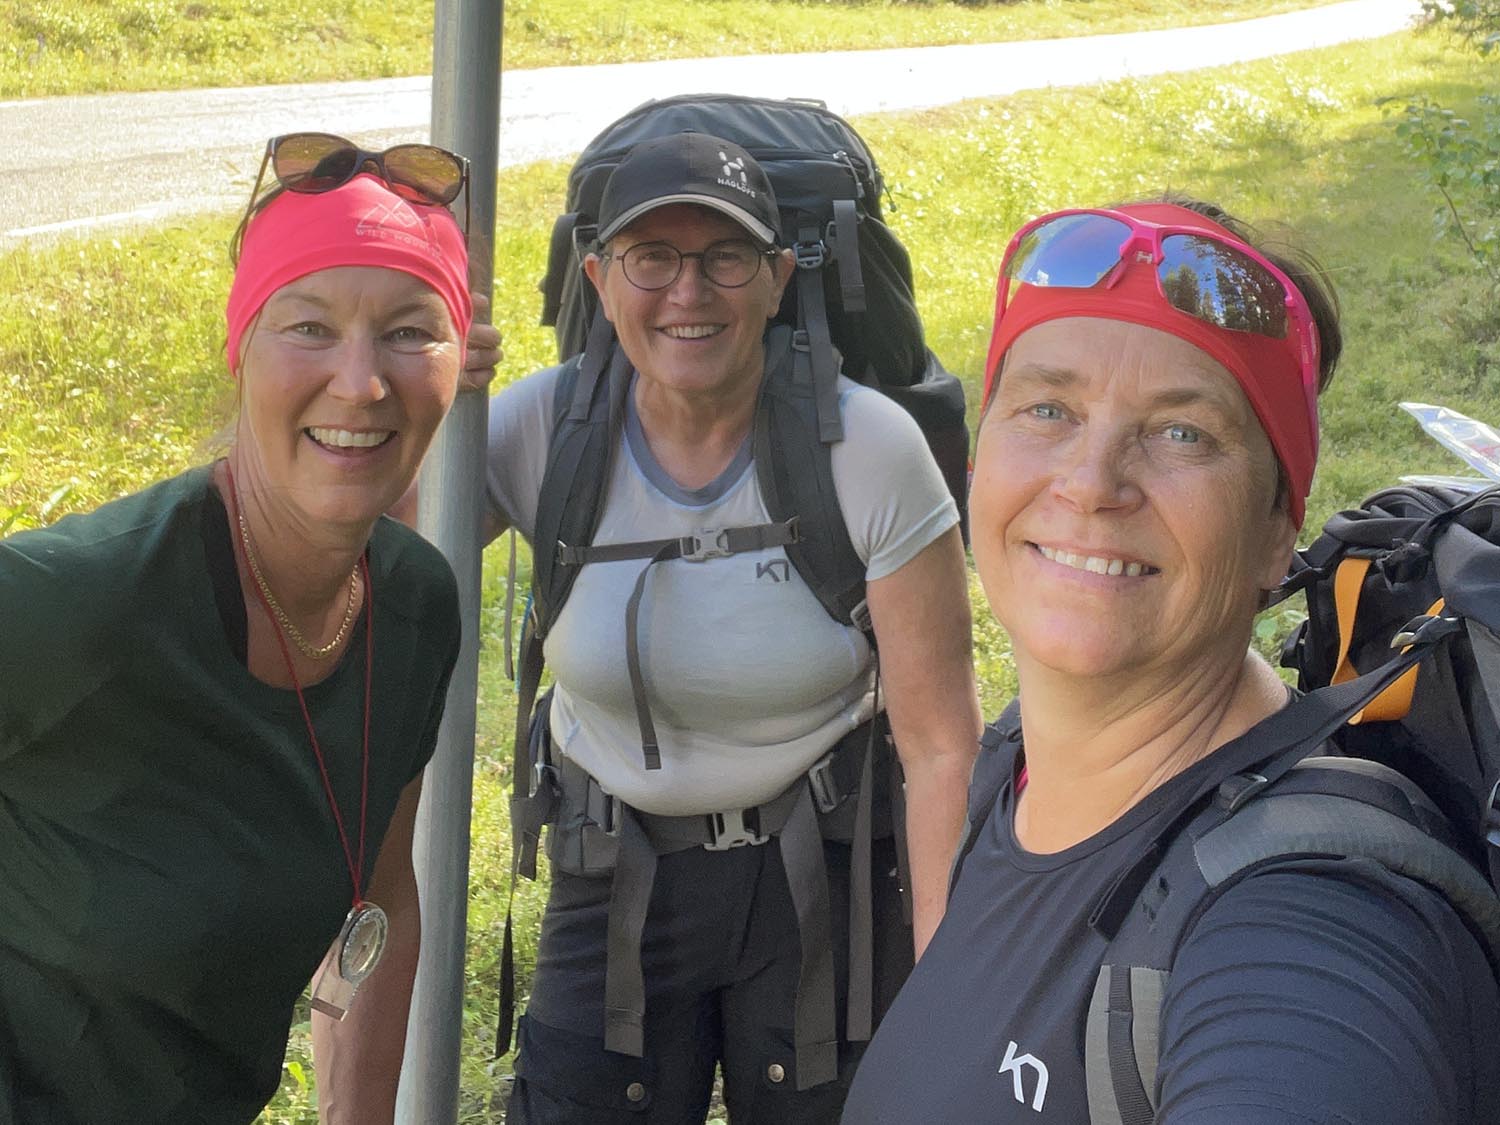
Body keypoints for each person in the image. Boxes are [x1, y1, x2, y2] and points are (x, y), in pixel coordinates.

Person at [841, 198, 1500, 1122]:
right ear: (976, 461)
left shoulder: (1308, 923)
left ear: (1279, 529)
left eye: (1183, 431)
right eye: (1047, 408)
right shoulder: (1020, 764)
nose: (1090, 482)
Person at [485, 132, 982, 1122]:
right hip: (610, 862)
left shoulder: (868, 448)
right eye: (652, 258)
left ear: (776, 277)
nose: (688, 292)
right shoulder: (538, 431)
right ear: (598, 274)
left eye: (724, 258)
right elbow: (377, 567)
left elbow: (938, 745)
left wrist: (947, 981)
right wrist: (419, 402)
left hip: (822, 873)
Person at [0, 135, 488, 1124]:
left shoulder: (415, 606)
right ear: (241, 346)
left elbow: (381, 895)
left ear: (462, 361)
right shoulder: (69, 603)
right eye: (310, 327)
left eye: (410, 331)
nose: (361, 382)